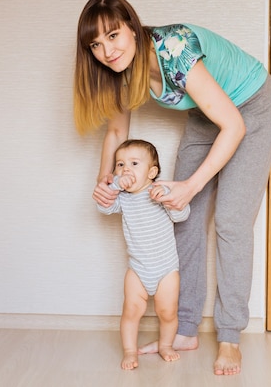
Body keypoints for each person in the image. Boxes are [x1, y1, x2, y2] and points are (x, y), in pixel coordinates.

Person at [74, 0, 271, 375]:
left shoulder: (174, 47)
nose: (106, 51)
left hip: (251, 107)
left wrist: (192, 184)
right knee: (182, 218)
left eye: (113, 35)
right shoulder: (120, 72)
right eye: (96, 45)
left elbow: (234, 125)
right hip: (208, 115)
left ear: (133, 29)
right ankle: (185, 330)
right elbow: (117, 130)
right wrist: (106, 180)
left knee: (232, 222)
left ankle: (231, 336)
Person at [96, 139, 190, 370]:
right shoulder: (122, 199)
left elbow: (182, 214)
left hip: (166, 269)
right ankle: (130, 350)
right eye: (120, 165)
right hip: (137, 269)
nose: (125, 169)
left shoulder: (159, 192)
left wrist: (167, 200)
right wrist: (115, 185)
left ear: (152, 172)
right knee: (131, 310)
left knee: (167, 312)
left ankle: (166, 345)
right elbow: (103, 207)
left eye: (134, 163)